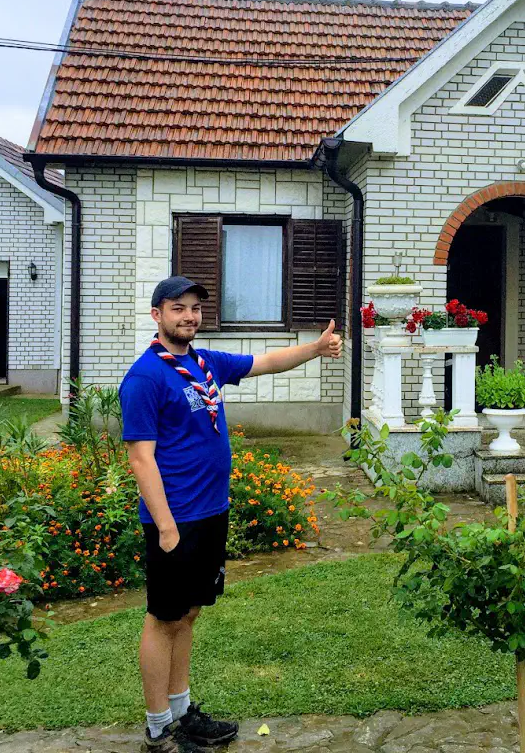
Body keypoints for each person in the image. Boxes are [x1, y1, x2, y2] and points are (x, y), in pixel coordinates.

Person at [120, 275, 342, 752]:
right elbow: (141, 458)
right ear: (157, 314)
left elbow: (266, 362)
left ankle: (182, 712)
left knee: (189, 613)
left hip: (210, 513)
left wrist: (316, 348)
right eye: (178, 308)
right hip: (175, 520)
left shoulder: (205, 363)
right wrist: (166, 528)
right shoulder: (145, 377)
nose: (190, 316)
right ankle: (158, 729)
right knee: (163, 618)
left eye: (195, 308)